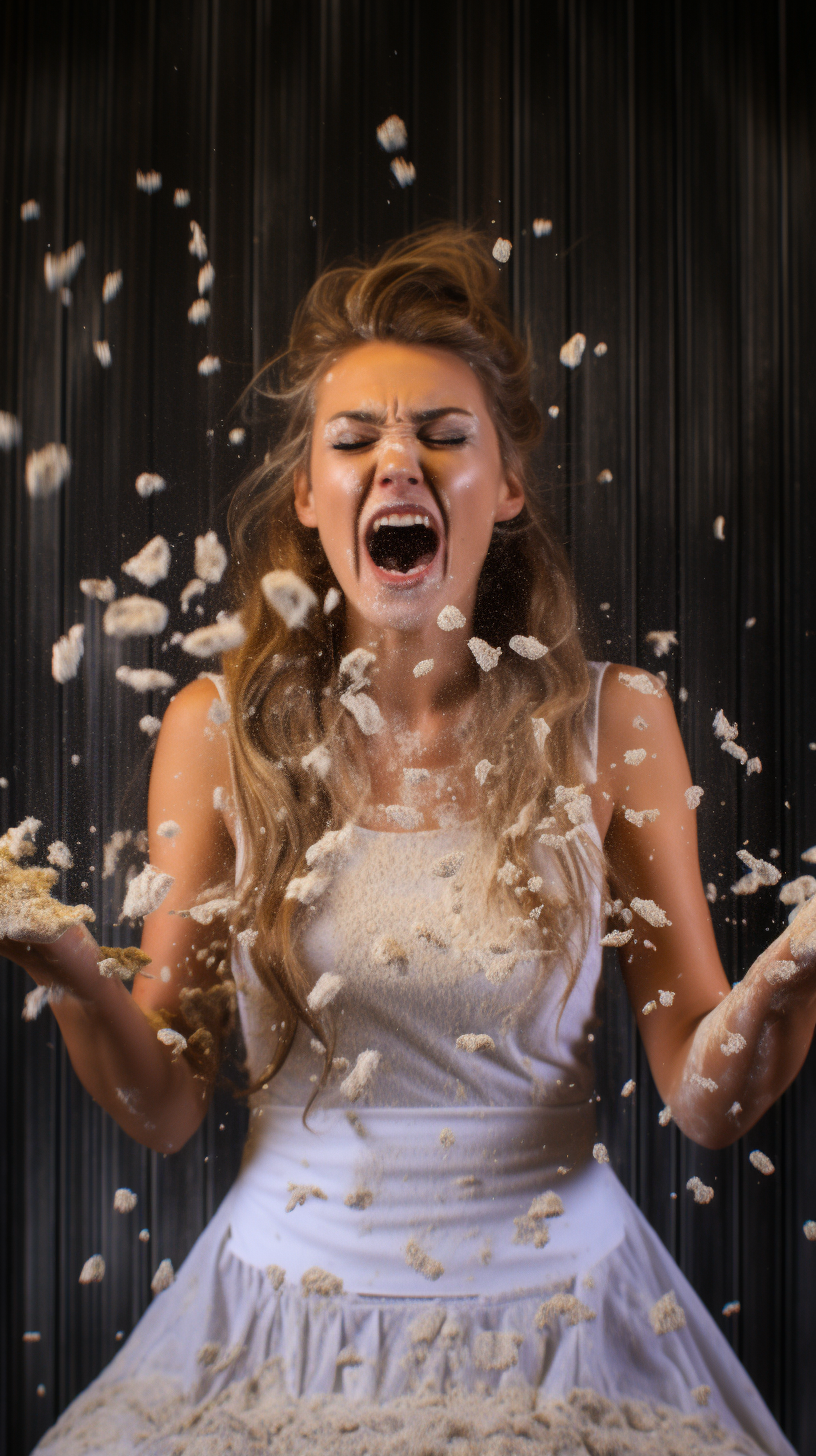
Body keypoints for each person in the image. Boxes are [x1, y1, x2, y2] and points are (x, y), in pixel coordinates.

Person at [6, 226, 813, 1455]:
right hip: (275, 1322)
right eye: (354, 440)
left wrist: (790, 979)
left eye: (443, 435)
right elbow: (164, 1103)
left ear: (508, 483)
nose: (399, 462)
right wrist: (67, 967)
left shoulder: (618, 721)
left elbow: (708, 1103)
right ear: (308, 496)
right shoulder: (216, 729)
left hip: (566, 1325)